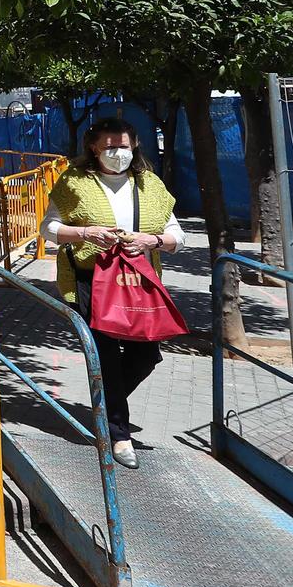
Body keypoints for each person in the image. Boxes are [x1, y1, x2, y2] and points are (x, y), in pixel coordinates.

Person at [42, 116, 184, 469]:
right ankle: (119, 434)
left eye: (123, 146)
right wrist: (85, 233)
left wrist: (152, 240)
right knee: (104, 356)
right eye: (109, 146)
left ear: (134, 145)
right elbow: (49, 228)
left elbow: (176, 235)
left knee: (145, 355)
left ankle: (105, 404)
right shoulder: (74, 182)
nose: (117, 153)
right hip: (91, 283)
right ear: (94, 147)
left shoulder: (150, 184)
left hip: (138, 283)